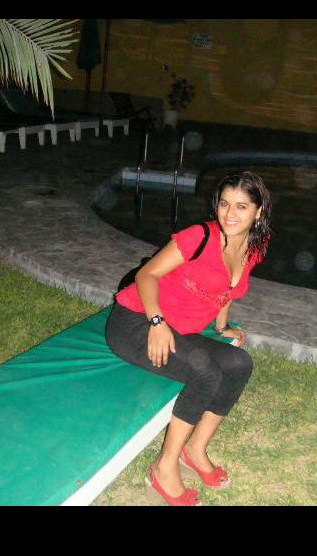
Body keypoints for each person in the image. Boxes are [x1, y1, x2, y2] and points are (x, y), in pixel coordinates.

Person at [105, 171, 272, 506]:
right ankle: (164, 468)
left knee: (239, 363)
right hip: (136, 322)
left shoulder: (255, 246)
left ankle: (195, 450)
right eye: (224, 204)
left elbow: (227, 290)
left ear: (258, 212)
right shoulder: (199, 237)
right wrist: (156, 322)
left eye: (241, 206)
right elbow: (146, 274)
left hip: (178, 329)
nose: (230, 214)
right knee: (204, 372)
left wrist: (222, 328)